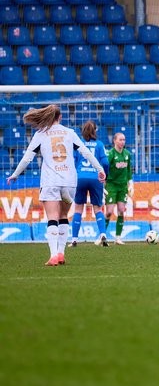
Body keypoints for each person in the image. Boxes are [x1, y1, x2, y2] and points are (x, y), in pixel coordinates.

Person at [6, 105, 105, 266]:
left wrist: (15, 175)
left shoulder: (40, 134)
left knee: (52, 217)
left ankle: (53, 255)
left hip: (51, 181)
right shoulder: (69, 132)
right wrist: (100, 169)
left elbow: (27, 158)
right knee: (64, 216)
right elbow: (86, 152)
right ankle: (61, 253)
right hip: (70, 182)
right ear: (60, 118)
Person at [70, 120, 109, 247]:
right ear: (95, 131)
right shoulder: (99, 145)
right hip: (95, 177)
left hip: (80, 177)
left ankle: (74, 239)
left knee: (78, 208)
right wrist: (105, 175)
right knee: (97, 208)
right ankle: (103, 233)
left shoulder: (78, 145)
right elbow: (106, 163)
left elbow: (74, 163)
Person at [105, 132, 133, 245]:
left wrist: (131, 183)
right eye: (120, 139)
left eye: (124, 140)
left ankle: (118, 237)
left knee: (121, 210)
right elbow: (105, 168)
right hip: (111, 185)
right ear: (115, 141)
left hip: (122, 186)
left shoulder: (127, 154)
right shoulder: (111, 154)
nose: (123, 142)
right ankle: (102, 235)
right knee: (109, 212)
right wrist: (104, 183)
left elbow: (129, 170)